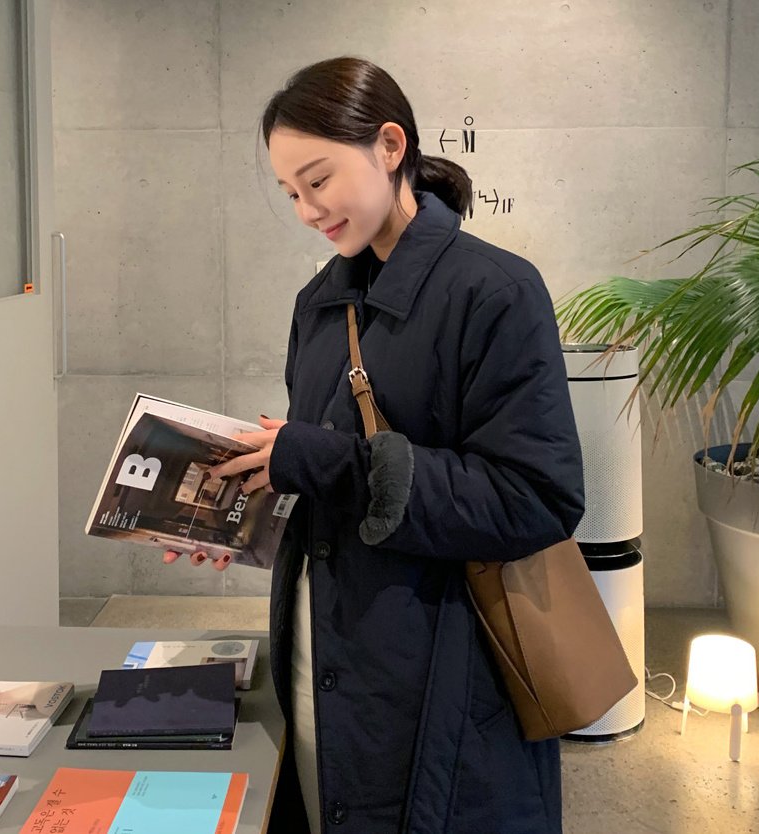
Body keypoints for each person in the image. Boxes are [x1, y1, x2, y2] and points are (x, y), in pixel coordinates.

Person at [164, 56, 584, 834]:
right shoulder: (318, 305)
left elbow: (536, 498)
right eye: (290, 192)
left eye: (318, 180)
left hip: (442, 681)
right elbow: (321, 485)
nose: (306, 210)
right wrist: (233, 518)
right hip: (316, 657)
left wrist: (321, 460)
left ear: (390, 146)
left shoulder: (495, 291)